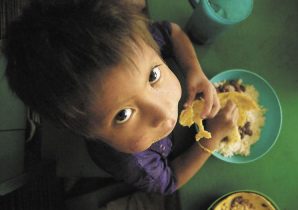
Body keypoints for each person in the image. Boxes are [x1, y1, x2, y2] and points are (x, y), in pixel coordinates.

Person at [3, 0, 238, 195]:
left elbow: (171, 31)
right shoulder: (128, 162)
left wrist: (193, 70)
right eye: (123, 115)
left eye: (153, 75)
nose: (164, 113)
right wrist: (212, 138)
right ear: (86, 132)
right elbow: (169, 181)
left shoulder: (130, 44)